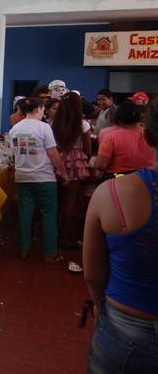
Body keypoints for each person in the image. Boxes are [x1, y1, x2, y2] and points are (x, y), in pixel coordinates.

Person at [83, 97, 158, 372]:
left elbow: (93, 273)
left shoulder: (110, 195)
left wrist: (98, 305)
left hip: (126, 325)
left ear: (147, 136)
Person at [9, 98, 70, 264]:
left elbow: (14, 152)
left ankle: (23, 249)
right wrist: (63, 173)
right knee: (48, 214)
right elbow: (53, 153)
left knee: (25, 212)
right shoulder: (44, 127)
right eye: (43, 109)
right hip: (44, 177)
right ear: (38, 109)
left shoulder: (15, 128)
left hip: (22, 176)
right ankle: (49, 253)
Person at [51, 92, 92, 248]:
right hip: (76, 163)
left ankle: (51, 233)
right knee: (70, 201)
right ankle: (65, 235)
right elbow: (88, 150)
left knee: (56, 200)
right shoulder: (83, 124)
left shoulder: (55, 123)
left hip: (57, 160)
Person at [94, 101, 153, 182]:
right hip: (149, 179)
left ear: (118, 120)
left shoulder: (111, 137)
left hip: (117, 179)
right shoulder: (152, 135)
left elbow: (100, 166)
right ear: (140, 117)